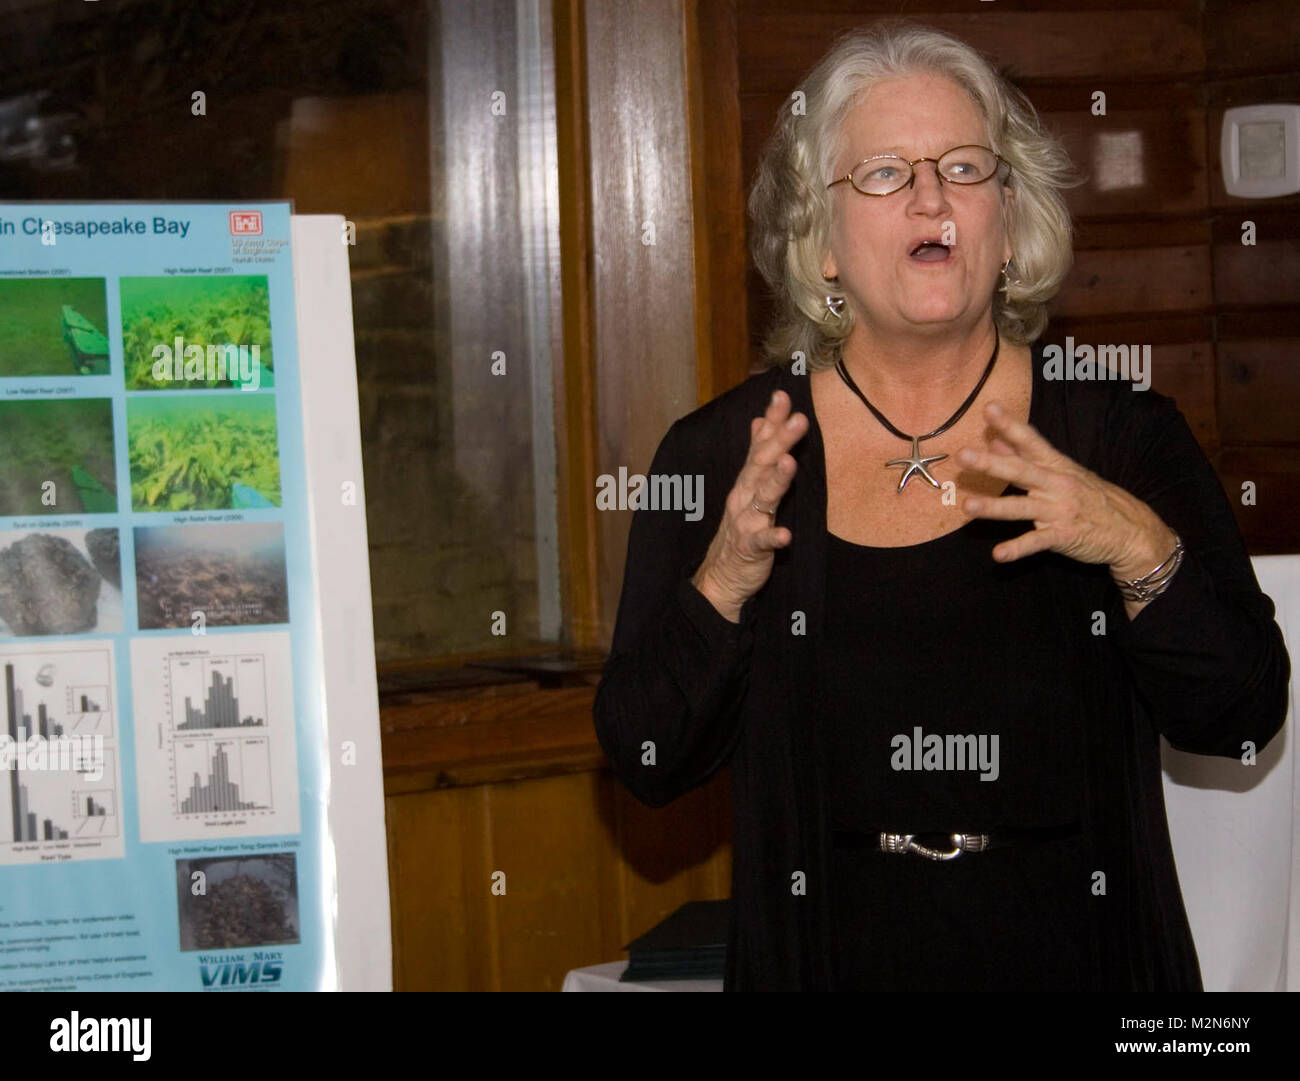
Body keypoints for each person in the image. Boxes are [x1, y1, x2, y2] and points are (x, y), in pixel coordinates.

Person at [592, 21, 1290, 991]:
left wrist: (1131, 541)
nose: (930, 196)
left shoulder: (1115, 434)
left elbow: (1247, 717)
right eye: (882, 173)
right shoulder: (724, 457)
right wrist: (722, 585)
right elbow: (647, 758)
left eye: (964, 167)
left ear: (1008, 219)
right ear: (820, 244)